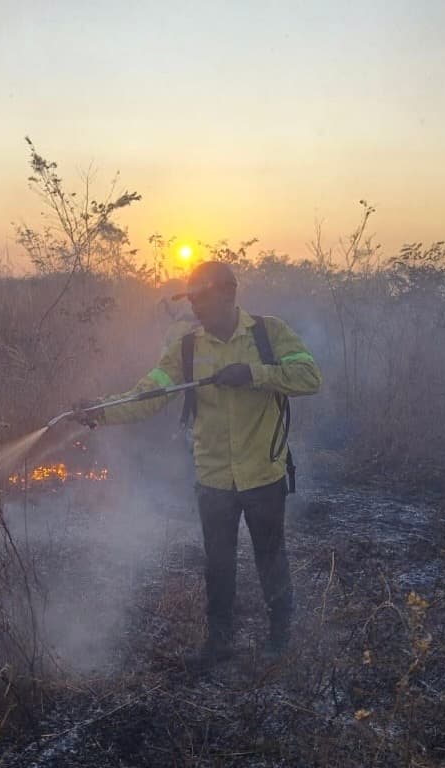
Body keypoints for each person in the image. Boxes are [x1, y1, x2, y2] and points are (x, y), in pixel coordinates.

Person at [69, 261, 321, 669]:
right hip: (214, 478)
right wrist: (101, 410)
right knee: (218, 565)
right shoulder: (187, 346)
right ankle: (219, 643)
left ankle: (281, 639)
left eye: (202, 298)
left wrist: (254, 373)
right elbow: (149, 392)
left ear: (229, 293)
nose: (196, 308)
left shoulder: (268, 333)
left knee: (270, 558)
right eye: (191, 300)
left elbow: (310, 376)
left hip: (263, 474)